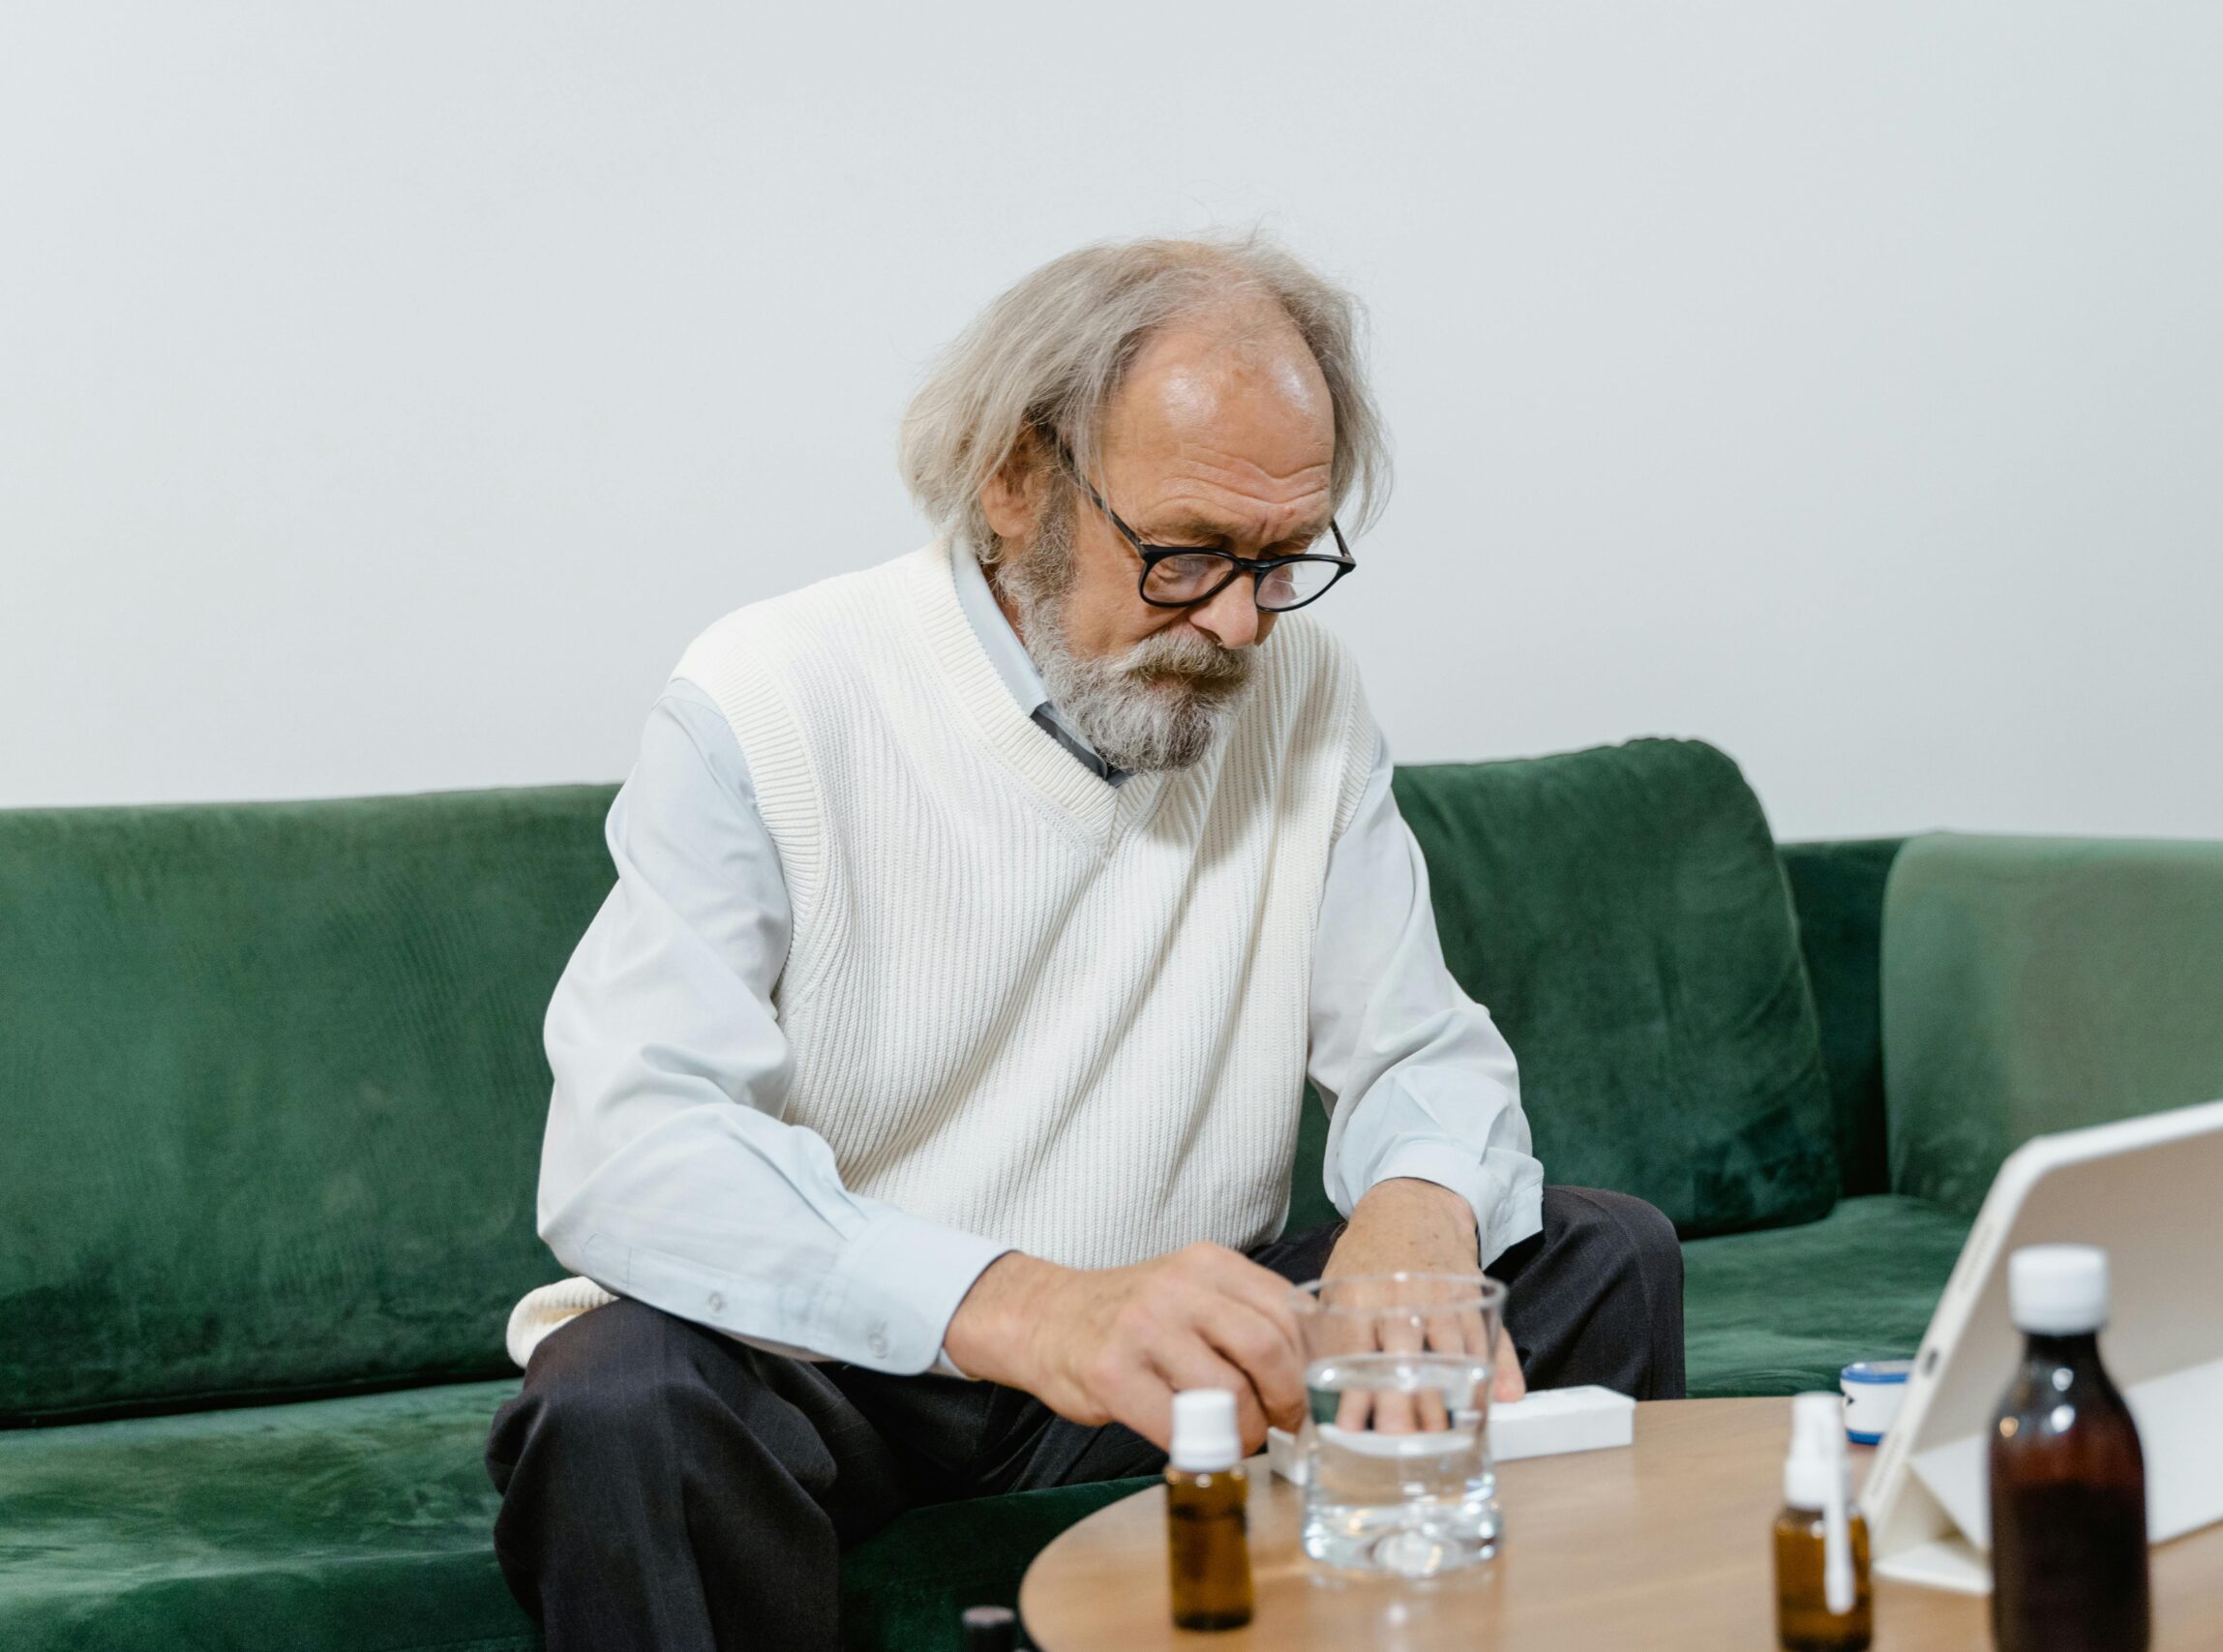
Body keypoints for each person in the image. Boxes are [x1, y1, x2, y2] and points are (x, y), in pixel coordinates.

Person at [484, 231, 1686, 1652]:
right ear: (1016, 481)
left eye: (1284, 559)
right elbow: (638, 1148)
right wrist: (1024, 1309)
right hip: (835, 1365)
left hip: (1162, 1369)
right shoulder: (769, 696)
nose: (1239, 620)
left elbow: (1418, 1049)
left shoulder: (1295, 686)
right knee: (621, 1402)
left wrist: (1417, 1216)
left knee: (1596, 1257)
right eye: (1188, 556)